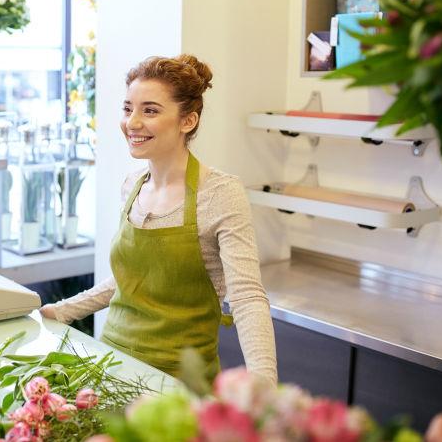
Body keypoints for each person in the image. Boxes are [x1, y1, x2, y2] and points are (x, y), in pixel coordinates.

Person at [41, 54, 277, 384]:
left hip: (180, 382)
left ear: (188, 121)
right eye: (128, 109)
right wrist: (59, 311)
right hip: (109, 368)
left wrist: (264, 387)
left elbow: (247, 298)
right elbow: (129, 281)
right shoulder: (132, 186)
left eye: (149, 110)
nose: (132, 123)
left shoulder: (220, 193)